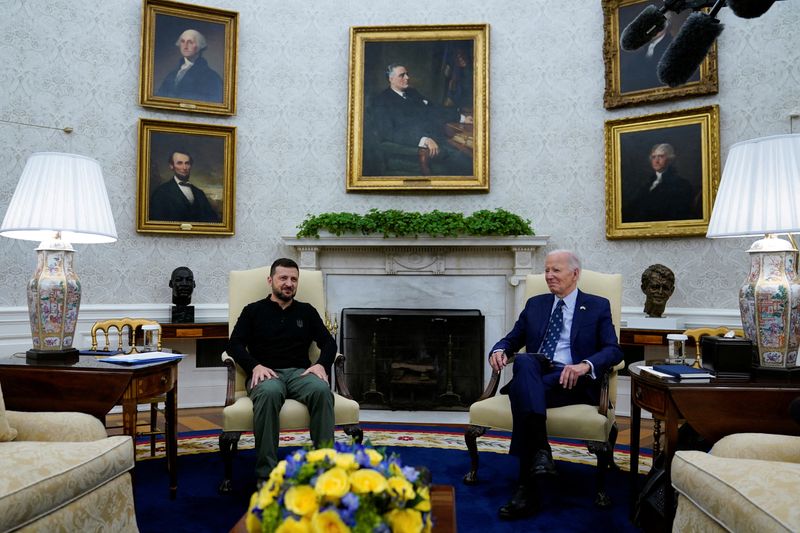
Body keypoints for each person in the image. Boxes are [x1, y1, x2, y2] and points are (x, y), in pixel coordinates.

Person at [488, 250, 623, 520]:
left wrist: (585, 364)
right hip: (537, 373)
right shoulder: (536, 304)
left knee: (521, 388)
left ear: (575, 274)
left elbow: (614, 350)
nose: (549, 276)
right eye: (546, 270)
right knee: (526, 361)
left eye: (556, 270)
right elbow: (512, 339)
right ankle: (541, 452)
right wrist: (499, 350)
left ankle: (526, 489)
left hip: (573, 380)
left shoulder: (597, 305)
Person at [228, 258, 336, 480]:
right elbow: (234, 344)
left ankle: (324, 471)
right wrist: (254, 365)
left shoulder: (306, 311)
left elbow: (329, 343)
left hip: (300, 373)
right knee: (269, 393)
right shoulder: (253, 311)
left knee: (322, 391)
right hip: (265, 373)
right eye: (283, 278)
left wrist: (321, 365)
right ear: (271, 280)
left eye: (294, 279)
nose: (289, 283)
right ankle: (266, 475)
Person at [366, 63, 473, 176]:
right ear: (391, 79)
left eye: (407, 74)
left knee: (467, 154)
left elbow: (434, 109)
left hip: (437, 142)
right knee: (466, 162)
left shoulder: (412, 93)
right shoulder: (381, 101)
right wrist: (423, 140)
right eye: (402, 75)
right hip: (414, 151)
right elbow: (389, 132)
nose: (407, 78)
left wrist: (462, 118)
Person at [622, 143, 697, 223]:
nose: (656, 161)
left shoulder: (681, 184)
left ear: (670, 159)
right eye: (653, 157)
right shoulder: (646, 183)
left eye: (661, 156)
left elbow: (677, 214)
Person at [149, 150, 221, 223]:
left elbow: (212, 221)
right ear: (171, 166)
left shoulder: (199, 193)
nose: (184, 167)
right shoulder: (160, 193)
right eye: (179, 163)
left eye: (187, 163)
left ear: (190, 166)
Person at [156, 29, 223, 102]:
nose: (185, 46)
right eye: (182, 41)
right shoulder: (172, 75)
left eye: (190, 42)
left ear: (199, 46)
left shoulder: (211, 77)